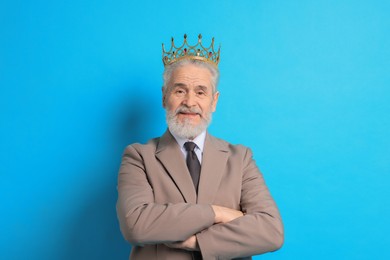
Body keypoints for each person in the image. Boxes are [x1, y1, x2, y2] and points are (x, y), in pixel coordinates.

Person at [116, 34, 284, 260]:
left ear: (214, 101)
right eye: (180, 90)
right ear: (165, 97)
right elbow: (136, 224)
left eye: (200, 92)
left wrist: (198, 242)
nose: (190, 102)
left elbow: (271, 231)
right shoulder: (138, 157)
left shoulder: (240, 159)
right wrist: (219, 213)